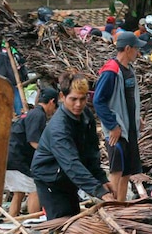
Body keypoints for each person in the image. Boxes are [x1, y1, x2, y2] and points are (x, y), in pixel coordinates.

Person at [32, 72, 112, 218]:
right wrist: (99, 191)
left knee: (73, 217)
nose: (78, 104)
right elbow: (71, 163)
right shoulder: (59, 128)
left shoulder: (85, 115)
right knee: (61, 221)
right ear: (62, 97)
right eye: (73, 99)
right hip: (50, 178)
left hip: (67, 177)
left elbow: (91, 152)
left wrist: (102, 179)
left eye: (82, 99)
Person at [94, 32, 144, 202]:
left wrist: (137, 119)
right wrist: (112, 126)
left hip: (129, 129)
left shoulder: (129, 70)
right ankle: (113, 208)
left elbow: (130, 99)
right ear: (128, 49)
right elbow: (98, 101)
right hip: (117, 131)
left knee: (127, 171)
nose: (138, 52)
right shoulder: (111, 71)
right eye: (136, 48)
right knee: (117, 170)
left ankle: (121, 206)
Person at [5, 87, 58, 217]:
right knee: (35, 188)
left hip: (9, 158)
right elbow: (34, 141)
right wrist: (51, 154)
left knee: (19, 192)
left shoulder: (32, 113)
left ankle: (13, 222)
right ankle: (34, 222)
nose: (54, 111)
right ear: (52, 101)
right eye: (55, 106)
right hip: (17, 159)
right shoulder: (38, 114)